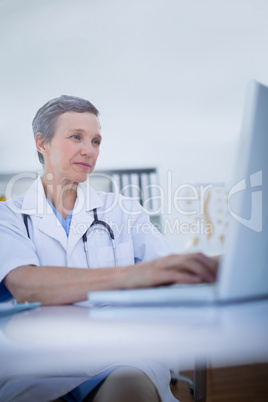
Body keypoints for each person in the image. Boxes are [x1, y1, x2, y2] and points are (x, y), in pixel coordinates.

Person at [0, 95, 218, 402]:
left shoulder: (123, 210)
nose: (89, 150)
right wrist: (132, 275)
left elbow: (172, 269)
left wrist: (226, 264)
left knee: (129, 391)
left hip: (119, 356)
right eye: (76, 137)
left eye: (96, 141)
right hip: (37, 365)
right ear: (42, 143)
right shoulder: (9, 216)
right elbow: (25, 284)